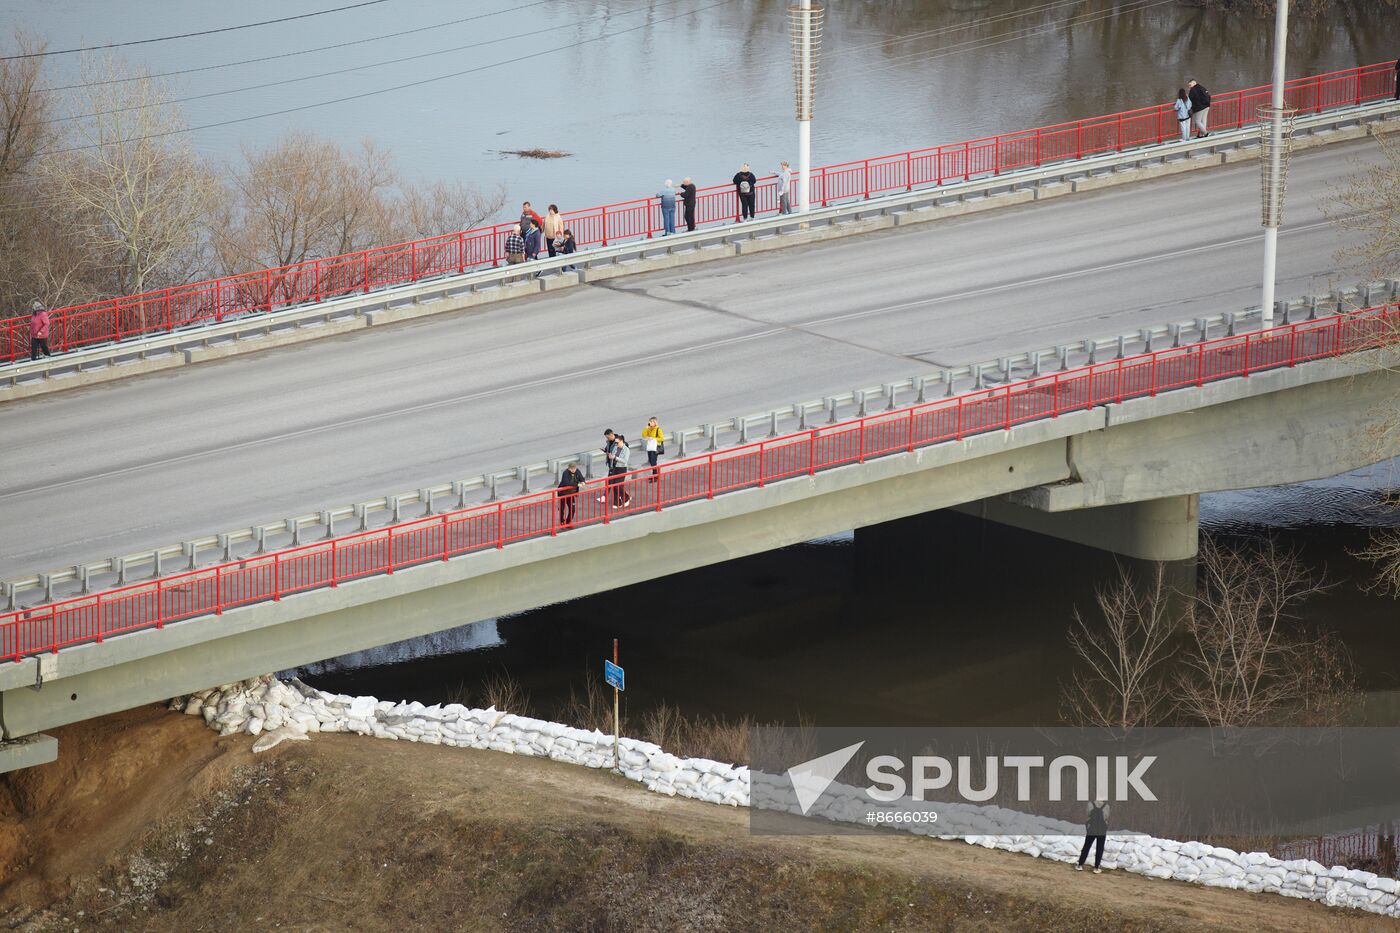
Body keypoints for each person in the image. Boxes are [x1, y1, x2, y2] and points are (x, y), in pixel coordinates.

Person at [1076, 801, 1109, 874]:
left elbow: (1088, 814)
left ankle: (1080, 865)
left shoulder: (1090, 804)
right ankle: (1096, 867)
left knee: (1087, 846)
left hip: (1092, 829)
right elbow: (1106, 817)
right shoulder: (1106, 806)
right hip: (1101, 829)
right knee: (1099, 848)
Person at [557, 462, 583, 527]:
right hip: (563, 493)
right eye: (572, 469)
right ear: (569, 469)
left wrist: (583, 481)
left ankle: (568, 522)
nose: (574, 470)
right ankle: (562, 521)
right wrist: (577, 484)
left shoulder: (577, 471)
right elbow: (566, 483)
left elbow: (581, 477)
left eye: (575, 468)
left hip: (571, 494)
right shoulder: (565, 473)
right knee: (562, 508)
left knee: (572, 509)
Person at [642, 416, 665, 483]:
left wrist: (654, 439)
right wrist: (646, 428)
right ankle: (655, 476)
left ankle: (655, 477)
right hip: (650, 447)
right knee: (651, 462)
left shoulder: (658, 429)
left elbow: (661, 438)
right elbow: (643, 435)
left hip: (655, 448)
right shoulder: (649, 428)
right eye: (650, 421)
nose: (650, 423)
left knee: (653, 462)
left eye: (652, 421)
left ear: (655, 422)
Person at [611, 434, 631, 507]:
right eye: (615, 443)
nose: (616, 444)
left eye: (617, 442)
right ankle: (617, 502)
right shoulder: (616, 448)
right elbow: (613, 454)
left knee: (617, 485)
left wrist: (615, 458)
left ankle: (626, 497)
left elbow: (625, 460)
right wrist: (611, 456)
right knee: (614, 485)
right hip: (615, 468)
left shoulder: (626, 449)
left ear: (622, 441)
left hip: (622, 469)